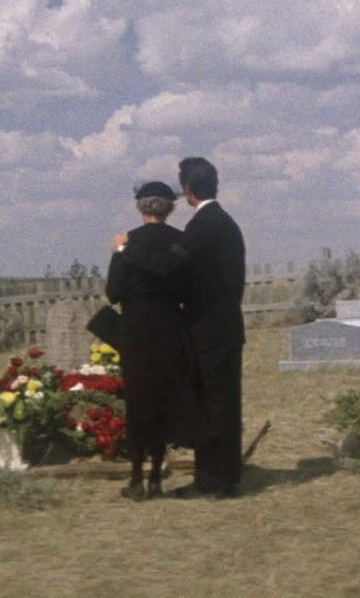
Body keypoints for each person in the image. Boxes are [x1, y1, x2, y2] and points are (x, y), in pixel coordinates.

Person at [113, 157, 246, 498]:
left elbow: (166, 265)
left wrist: (125, 249)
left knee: (213, 405)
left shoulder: (203, 225)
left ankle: (214, 481)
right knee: (225, 404)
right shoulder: (226, 222)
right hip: (226, 323)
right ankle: (224, 477)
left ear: (188, 190)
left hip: (209, 329)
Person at [104, 180, 211, 500]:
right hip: (170, 326)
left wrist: (120, 255)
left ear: (140, 207)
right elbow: (190, 289)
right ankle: (155, 477)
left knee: (139, 400)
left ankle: (137, 478)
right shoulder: (180, 241)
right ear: (170, 207)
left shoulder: (126, 242)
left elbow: (113, 292)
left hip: (136, 329)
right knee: (164, 398)